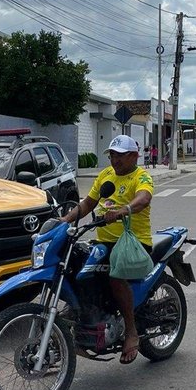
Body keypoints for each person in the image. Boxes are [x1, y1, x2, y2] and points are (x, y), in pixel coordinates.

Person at [62, 135, 153, 365]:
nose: (114, 159)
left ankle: (131, 332)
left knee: (115, 275)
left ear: (134, 156)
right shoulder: (105, 176)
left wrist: (124, 210)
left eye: (120, 155)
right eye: (112, 154)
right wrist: (64, 221)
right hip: (104, 242)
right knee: (74, 267)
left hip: (132, 242)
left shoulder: (141, 176)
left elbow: (143, 198)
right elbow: (88, 204)